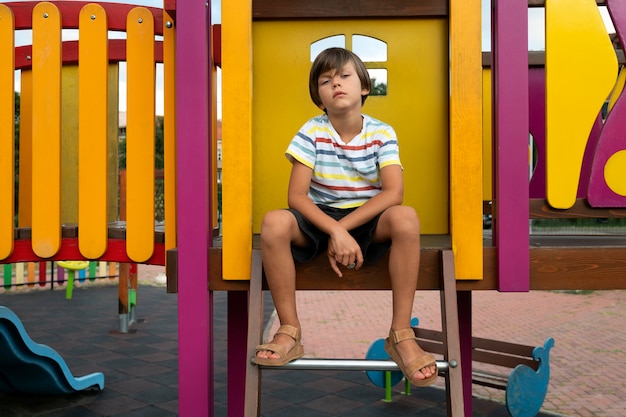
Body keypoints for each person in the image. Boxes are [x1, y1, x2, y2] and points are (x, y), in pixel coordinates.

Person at [255, 47, 437, 386]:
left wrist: (343, 230)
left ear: (364, 87)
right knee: (274, 222)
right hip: (318, 216)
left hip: (365, 219)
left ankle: (400, 335)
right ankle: (289, 331)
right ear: (319, 97)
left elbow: (393, 193)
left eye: (344, 76)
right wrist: (333, 231)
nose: (336, 83)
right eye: (326, 80)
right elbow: (296, 197)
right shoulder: (312, 131)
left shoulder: (382, 133)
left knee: (406, 217)